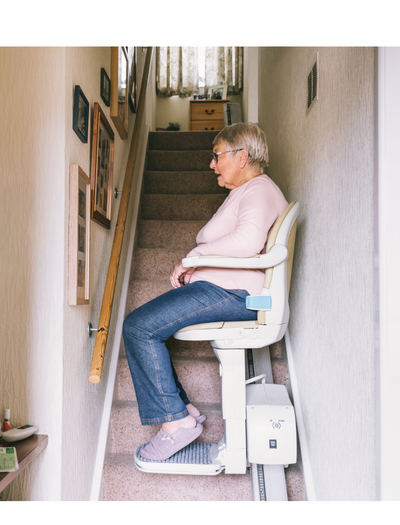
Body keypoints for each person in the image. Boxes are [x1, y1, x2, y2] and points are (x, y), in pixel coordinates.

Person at [123, 122, 289, 461]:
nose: (212, 164)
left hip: (235, 292)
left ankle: (176, 422)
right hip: (227, 288)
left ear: (242, 156)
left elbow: (247, 242)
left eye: (217, 156)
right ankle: (181, 410)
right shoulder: (247, 191)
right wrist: (196, 265)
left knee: (139, 328)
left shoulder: (258, 190)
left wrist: (194, 258)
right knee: (142, 325)